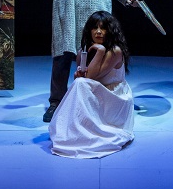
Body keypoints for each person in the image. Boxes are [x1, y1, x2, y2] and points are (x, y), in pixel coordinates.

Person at [48, 10, 135, 158]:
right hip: (98, 94)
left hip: (115, 97)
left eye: (103, 28)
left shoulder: (115, 51)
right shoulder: (83, 51)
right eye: (95, 28)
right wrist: (78, 76)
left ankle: (84, 132)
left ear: (110, 31)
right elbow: (85, 79)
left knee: (81, 83)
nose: (98, 32)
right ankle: (75, 132)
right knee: (79, 83)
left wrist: (100, 51)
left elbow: (91, 77)